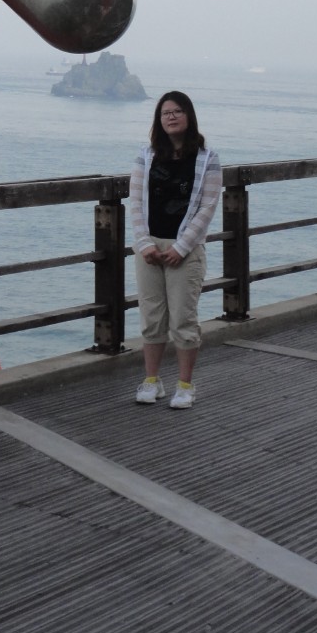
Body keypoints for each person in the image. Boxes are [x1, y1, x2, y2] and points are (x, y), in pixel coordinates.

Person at [130, 91, 222, 409]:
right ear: (159, 120)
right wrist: (144, 243)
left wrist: (182, 247)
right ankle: (151, 381)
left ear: (189, 116)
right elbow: (135, 202)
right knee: (152, 318)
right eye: (165, 112)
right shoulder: (146, 156)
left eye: (177, 111)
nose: (171, 117)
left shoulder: (208, 158)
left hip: (186, 249)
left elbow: (207, 207)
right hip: (150, 248)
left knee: (183, 319)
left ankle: (185, 386)